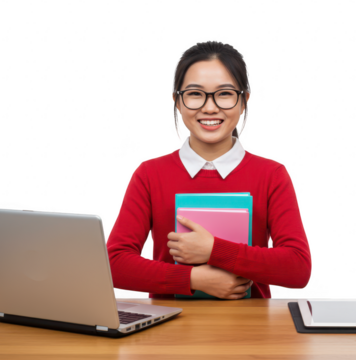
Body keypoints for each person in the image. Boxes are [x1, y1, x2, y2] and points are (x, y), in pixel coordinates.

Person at [107, 40, 312, 300]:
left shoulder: (271, 174)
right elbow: (114, 264)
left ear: (244, 100)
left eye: (224, 94)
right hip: (166, 328)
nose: (210, 107)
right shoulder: (149, 174)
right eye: (195, 94)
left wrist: (215, 251)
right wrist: (191, 279)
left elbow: (298, 269)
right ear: (177, 101)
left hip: (253, 329)